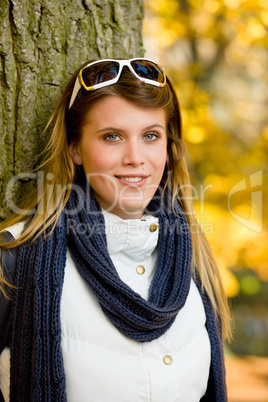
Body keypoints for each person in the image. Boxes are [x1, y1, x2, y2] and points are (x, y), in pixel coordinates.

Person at [0, 58, 231, 401]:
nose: (135, 157)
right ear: (75, 148)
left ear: (168, 148)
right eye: (112, 137)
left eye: (151, 135)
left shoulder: (193, 252)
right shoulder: (15, 258)